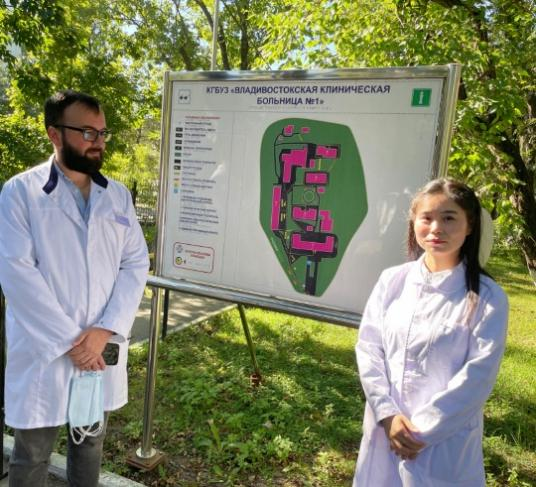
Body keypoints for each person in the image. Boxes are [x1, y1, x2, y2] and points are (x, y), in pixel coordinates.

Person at [0, 90, 149, 486]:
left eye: (102, 133)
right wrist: (72, 343)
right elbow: (16, 273)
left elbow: (135, 263)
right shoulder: (20, 193)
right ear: (55, 134)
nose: (98, 141)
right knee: (32, 453)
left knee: (90, 445)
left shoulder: (117, 195)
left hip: (99, 349)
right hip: (45, 351)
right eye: (87, 132)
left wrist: (105, 331)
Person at [353, 178, 509, 487]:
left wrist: (419, 433)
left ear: (469, 225)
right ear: (414, 222)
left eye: (449, 218)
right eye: (427, 218)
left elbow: (477, 377)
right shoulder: (392, 282)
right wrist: (387, 415)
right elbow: (369, 349)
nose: (436, 228)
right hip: (385, 429)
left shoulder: (488, 298)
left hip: (444, 442)